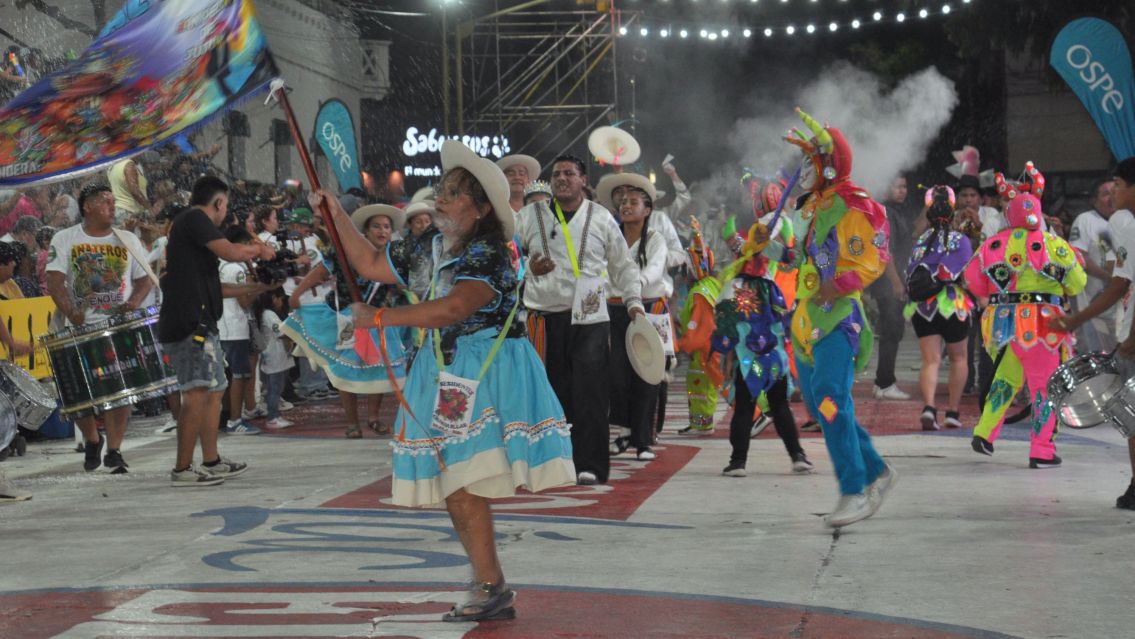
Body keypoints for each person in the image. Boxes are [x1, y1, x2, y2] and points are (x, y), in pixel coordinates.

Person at [332, 139, 575, 622]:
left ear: (482, 207)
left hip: (485, 370)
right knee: (457, 481)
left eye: (453, 193)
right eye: (441, 190)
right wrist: (333, 211)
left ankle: (490, 584)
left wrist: (379, 317)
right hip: (445, 370)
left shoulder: (489, 251)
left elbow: (455, 308)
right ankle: (490, 583)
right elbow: (368, 263)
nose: (440, 199)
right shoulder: (429, 242)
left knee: (462, 480)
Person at [785, 108, 896, 528]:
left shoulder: (855, 203)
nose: (803, 170)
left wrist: (844, 281)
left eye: (810, 160)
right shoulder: (814, 207)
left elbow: (875, 254)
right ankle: (877, 471)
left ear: (830, 164)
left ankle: (854, 490)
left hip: (837, 318)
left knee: (831, 399)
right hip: (806, 320)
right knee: (821, 404)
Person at [517, 155, 645, 486]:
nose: (561, 178)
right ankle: (554, 463)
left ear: (582, 179)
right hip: (544, 317)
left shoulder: (601, 218)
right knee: (550, 393)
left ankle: (591, 465)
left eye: (569, 173)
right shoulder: (529, 216)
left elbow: (624, 266)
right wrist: (528, 268)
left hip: (590, 316)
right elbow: (506, 257)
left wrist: (633, 304)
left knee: (590, 392)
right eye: (556, 173)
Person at [158, 176, 278, 487]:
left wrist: (259, 285)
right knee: (197, 393)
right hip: (188, 326)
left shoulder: (193, 235)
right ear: (219, 203)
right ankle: (182, 469)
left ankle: (211, 460)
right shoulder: (194, 218)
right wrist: (258, 250)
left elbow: (217, 287)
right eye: (224, 206)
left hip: (201, 324)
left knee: (212, 392)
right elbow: (232, 253)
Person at [964, 164, 1086, 468]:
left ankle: (984, 432)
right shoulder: (1055, 245)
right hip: (1043, 326)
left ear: (1010, 214)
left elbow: (974, 280)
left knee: (1007, 377)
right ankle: (1042, 450)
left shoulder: (994, 244)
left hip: (1005, 323)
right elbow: (1077, 283)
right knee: (1044, 385)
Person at [45, 185, 152, 473]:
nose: (112, 207)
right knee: (80, 395)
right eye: (105, 202)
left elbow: (146, 279)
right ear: (87, 207)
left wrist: (133, 303)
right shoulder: (65, 238)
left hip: (118, 327)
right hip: (79, 328)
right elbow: (55, 281)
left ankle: (115, 450)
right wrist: (71, 311)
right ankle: (93, 438)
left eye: (113, 201)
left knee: (121, 391)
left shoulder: (128, 239)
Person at [284, 204, 409, 438]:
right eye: (376, 226)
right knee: (345, 368)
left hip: (378, 319)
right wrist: (297, 293)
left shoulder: (396, 255)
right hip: (345, 318)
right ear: (366, 230)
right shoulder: (346, 250)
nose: (382, 231)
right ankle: (352, 423)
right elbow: (322, 271)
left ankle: (373, 417)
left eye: (386, 226)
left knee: (380, 368)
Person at [1053, 156, 1135, 507]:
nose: (1112, 191)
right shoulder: (1121, 223)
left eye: (1117, 184)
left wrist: (1076, 319)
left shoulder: (1125, 224)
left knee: (1131, 415)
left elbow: (1119, 284)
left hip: (1132, 334)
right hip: (1127, 326)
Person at [713, 219, 813, 476]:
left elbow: (725, 326)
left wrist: (725, 355)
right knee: (779, 406)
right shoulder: (773, 288)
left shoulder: (734, 286)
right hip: (773, 357)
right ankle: (797, 456)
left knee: (745, 407)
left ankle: (738, 462)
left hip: (748, 360)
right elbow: (793, 258)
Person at [605, 174, 670, 462]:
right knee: (617, 375)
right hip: (615, 309)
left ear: (648, 210)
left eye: (633, 202)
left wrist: (633, 288)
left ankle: (643, 440)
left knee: (647, 375)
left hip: (649, 310)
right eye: (623, 202)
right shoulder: (611, 237)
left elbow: (654, 271)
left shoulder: (656, 240)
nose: (626, 206)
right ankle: (625, 430)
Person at [905, 186, 974, 430]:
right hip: (952, 303)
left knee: (930, 360)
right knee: (959, 358)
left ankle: (929, 408)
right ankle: (953, 412)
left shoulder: (920, 243)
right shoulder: (960, 240)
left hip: (922, 306)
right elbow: (960, 272)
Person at [217, 226, 264, 435]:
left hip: (224, 325)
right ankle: (235, 420)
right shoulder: (234, 269)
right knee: (240, 375)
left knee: (231, 375)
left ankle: (227, 415)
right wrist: (259, 287)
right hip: (234, 326)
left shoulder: (220, 264)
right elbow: (244, 301)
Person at [869, 175, 912, 400]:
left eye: (904, 187)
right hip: (888, 282)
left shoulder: (895, 213)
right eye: (897, 187)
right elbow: (886, 252)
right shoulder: (886, 213)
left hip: (890, 281)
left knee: (891, 331)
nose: (902, 191)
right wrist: (896, 283)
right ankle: (885, 382)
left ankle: (882, 381)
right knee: (891, 331)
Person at [1068, 179, 1118, 353]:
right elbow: (1078, 255)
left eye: (1115, 191)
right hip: (1089, 304)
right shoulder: (1085, 220)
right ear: (1094, 200)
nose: (1112, 197)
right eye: (1105, 194)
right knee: (1093, 354)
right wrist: (1110, 278)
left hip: (1118, 307)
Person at [253, 287, 295, 429]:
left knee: (276, 387)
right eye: (280, 298)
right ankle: (272, 417)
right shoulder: (269, 314)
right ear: (273, 299)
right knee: (275, 388)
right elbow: (282, 332)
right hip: (274, 356)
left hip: (276, 356)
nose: (282, 301)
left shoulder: (266, 314)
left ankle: (275, 415)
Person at [107, 158, 152, 225]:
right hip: (129, 212)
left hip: (118, 211)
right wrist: (149, 208)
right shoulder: (129, 165)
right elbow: (134, 191)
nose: (141, 155)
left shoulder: (112, 166)